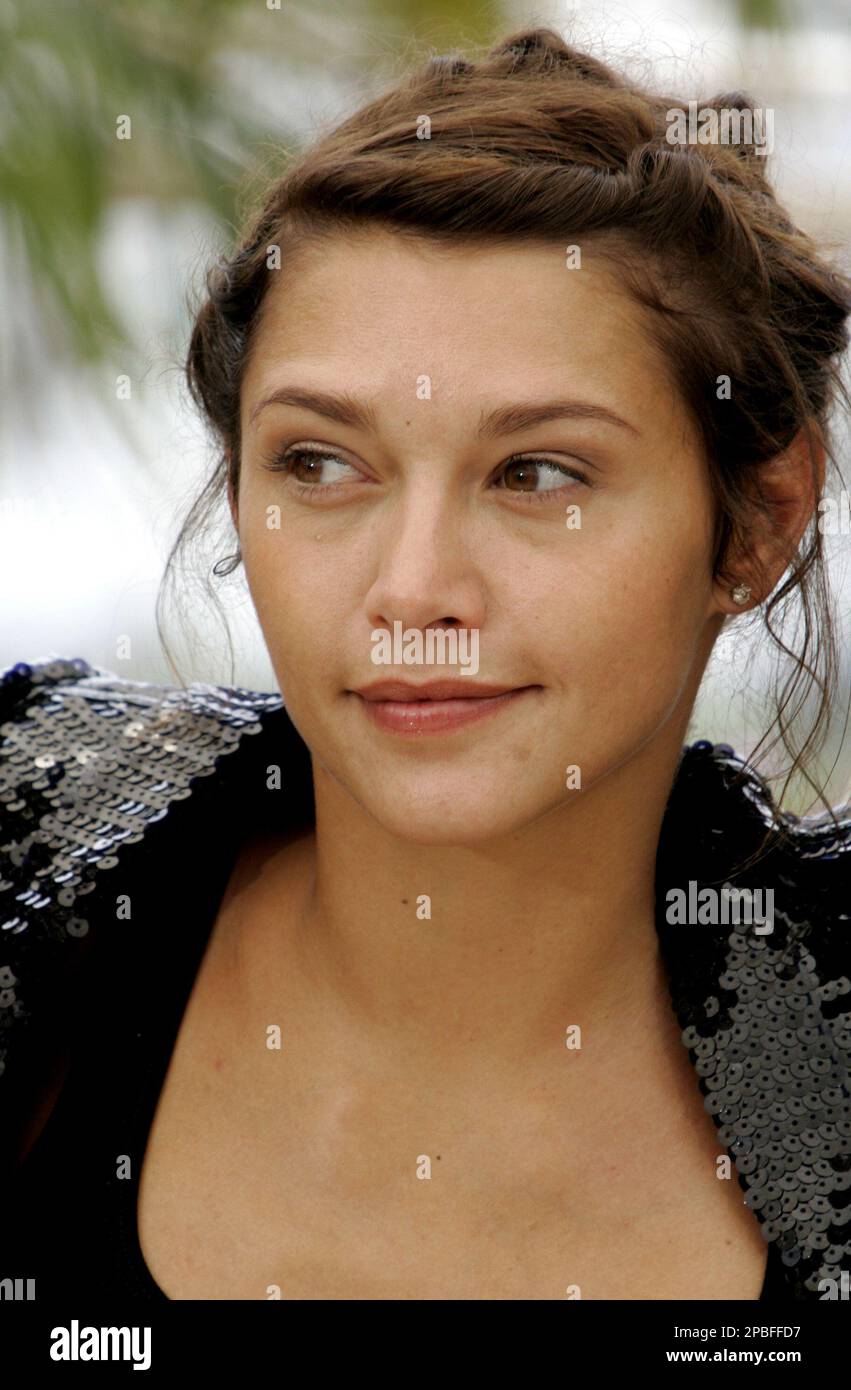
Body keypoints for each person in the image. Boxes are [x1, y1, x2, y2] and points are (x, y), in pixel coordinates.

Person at [1, 26, 850, 1303]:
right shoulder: (37, 890)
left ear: (762, 520)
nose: (411, 591)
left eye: (537, 473)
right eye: (321, 463)